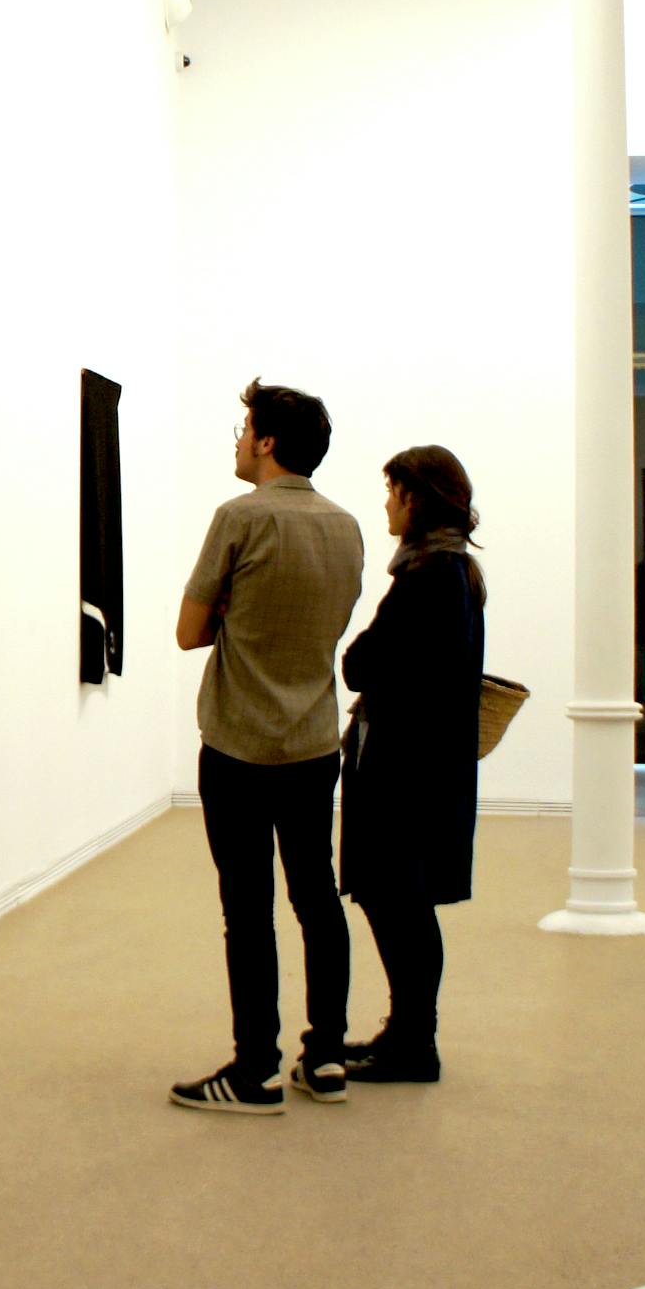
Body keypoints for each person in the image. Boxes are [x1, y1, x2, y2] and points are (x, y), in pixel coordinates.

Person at [170, 380, 365, 1115]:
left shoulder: (238, 519)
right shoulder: (347, 527)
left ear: (270, 442)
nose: (237, 439)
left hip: (238, 747)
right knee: (318, 897)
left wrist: (228, 611)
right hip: (314, 744)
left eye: (244, 428)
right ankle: (328, 1058)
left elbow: (190, 633)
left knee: (247, 911)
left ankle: (255, 1071)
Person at [336, 446, 486, 1086]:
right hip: (424, 767)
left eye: (393, 490)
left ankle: (413, 1043)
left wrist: (364, 651)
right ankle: (406, 1033)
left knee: (399, 902)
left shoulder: (428, 576)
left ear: (417, 498)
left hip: (405, 772)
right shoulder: (450, 571)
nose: (387, 502)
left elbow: (364, 665)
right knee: (402, 902)